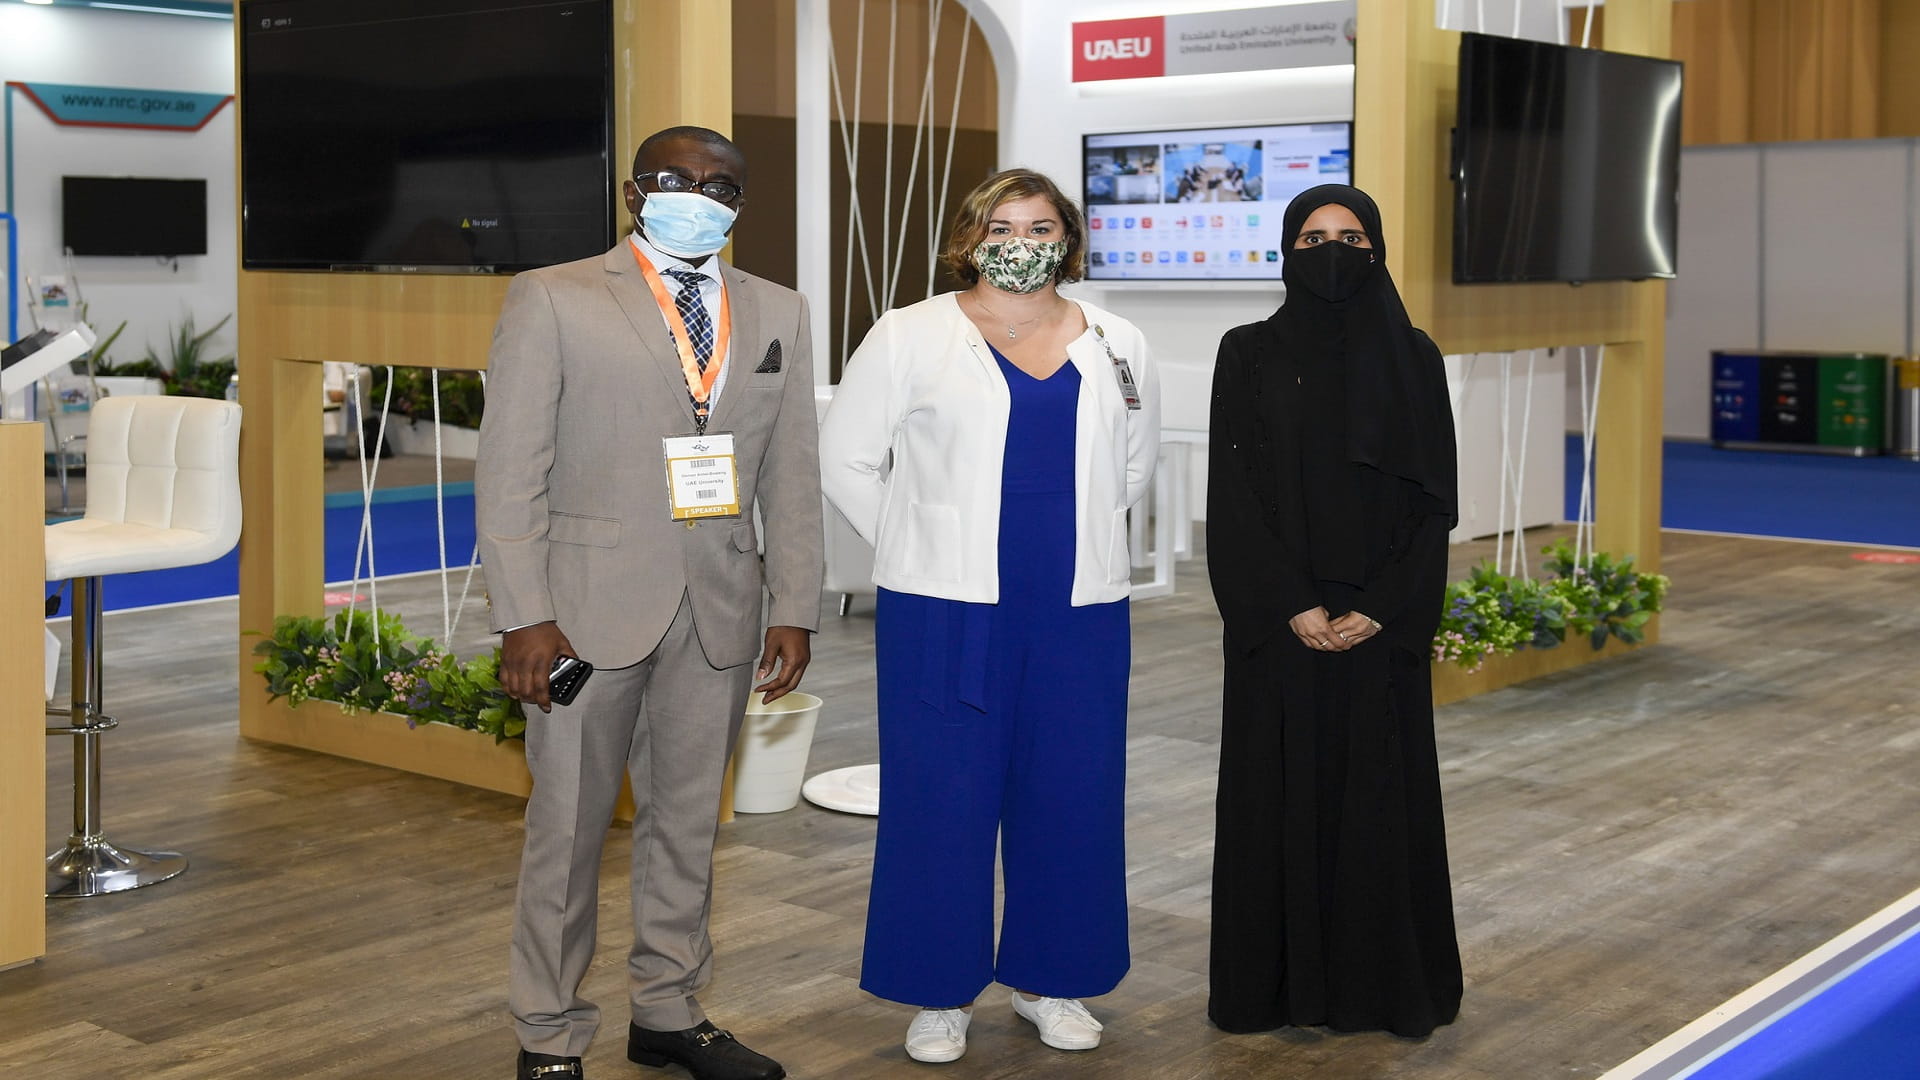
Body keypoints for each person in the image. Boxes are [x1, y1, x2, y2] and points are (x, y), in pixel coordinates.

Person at [477, 125, 823, 1080]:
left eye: (720, 185)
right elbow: (509, 473)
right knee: (567, 832)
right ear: (635, 192)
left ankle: (668, 1010)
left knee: (687, 825)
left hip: (720, 610)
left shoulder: (781, 310)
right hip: (582, 612)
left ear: (739, 204)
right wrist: (523, 614)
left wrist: (794, 602)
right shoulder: (553, 296)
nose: (697, 195)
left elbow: (791, 471)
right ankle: (549, 1030)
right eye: (675, 178)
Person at [818, 168, 1159, 1064]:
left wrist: (1077, 535)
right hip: (943, 608)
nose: (1021, 242)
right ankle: (941, 993)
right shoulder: (909, 333)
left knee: (1073, 793)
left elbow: (1133, 465)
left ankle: (1054, 980)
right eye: (1000, 226)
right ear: (969, 239)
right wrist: (919, 542)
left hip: (1078, 607)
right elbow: (845, 459)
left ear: (1067, 239)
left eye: (1040, 226)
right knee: (941, 797)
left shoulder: (1116, 339)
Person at [1205, 184, 1463, 1038]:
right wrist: (1289, 602)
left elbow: (1435, 501)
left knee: (1378, 802)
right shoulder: (1247, 353)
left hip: (1379, 625)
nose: (1332, 253)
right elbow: (1233, 495)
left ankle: (1381, 989)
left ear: (1378, 249)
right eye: (1313, 238)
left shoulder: (1415, 358)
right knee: (1275, 799)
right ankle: (1273, 991)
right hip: (1282, 621)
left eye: (1351, 238)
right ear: (1286, 251)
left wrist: (1386, 606)